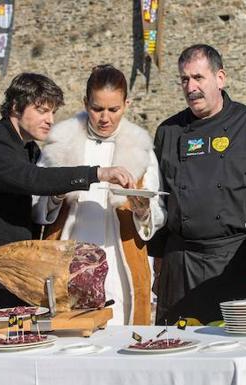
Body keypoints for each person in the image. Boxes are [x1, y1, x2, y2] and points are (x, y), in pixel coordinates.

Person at [0, 73, 136, 322]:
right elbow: (32, 179)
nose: (50, 120)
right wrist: (97, 173)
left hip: (14, 272)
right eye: (42, 111)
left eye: (52, 113)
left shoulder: (27, 148)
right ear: (15, 107)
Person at [151, 44, 246, 325]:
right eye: (185, 79)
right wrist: (156, 263)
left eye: (199, 78)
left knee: (234, 348)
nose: (191, 87)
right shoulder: (168, 132)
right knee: (174, 348)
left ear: (220, 78)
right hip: (181, 263)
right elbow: (160, 197)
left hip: (236, 261)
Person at [32, 65, 166, 325]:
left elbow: (157, 212)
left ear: (126, 104)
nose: (105, 117)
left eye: (113, 110)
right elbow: (36, 206)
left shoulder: (140, 149)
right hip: (68, 255)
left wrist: (142, 210)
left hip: (118, 259)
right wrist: (57, 195)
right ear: (85, 103)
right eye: (97, 109)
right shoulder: (61, 144)